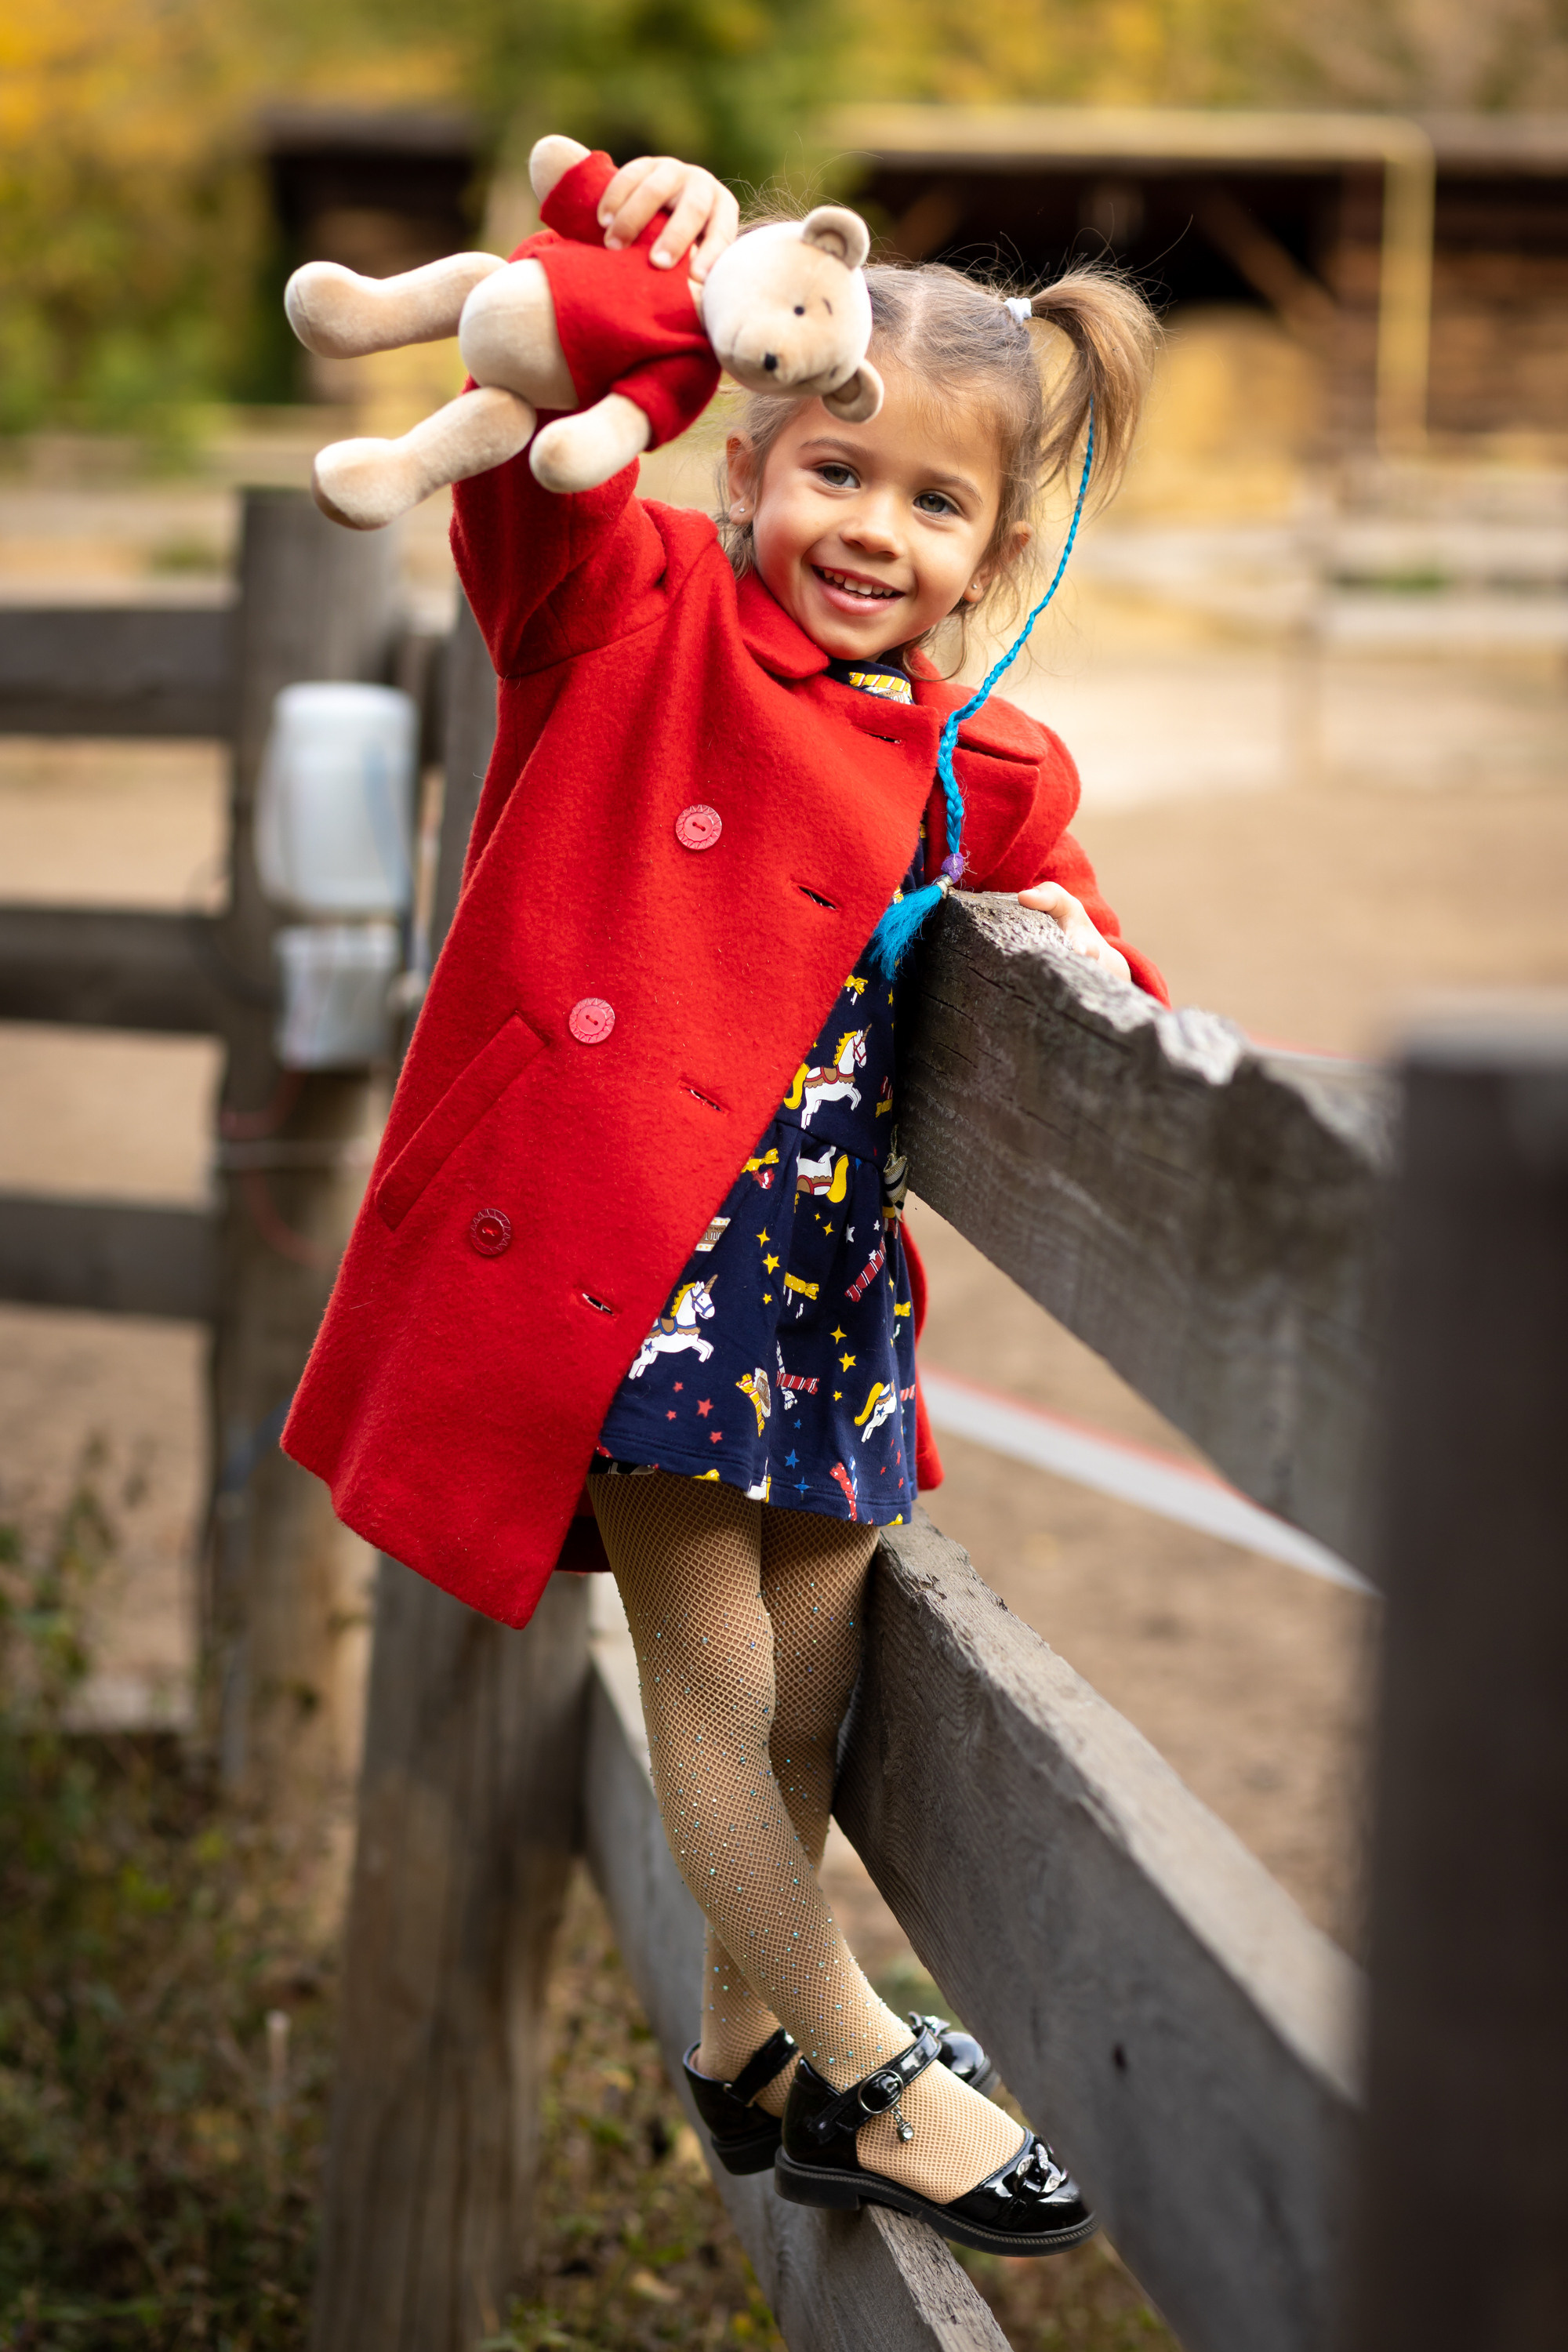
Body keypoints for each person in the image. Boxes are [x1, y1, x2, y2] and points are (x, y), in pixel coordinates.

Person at [284, 150, 1167, 2258]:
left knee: (810, 1675)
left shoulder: (972, 759)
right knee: (711, 1680)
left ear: (997, 549)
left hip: (818, 1284)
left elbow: (1091, 947)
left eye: (932, 504)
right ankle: (868, 2057)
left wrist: (1104, 987)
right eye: (835, 471)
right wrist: (646, 248)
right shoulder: (635, 616)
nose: (873, 530)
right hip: (631, 1266)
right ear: (751, 456)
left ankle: (747, 2050)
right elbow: (547, 447)